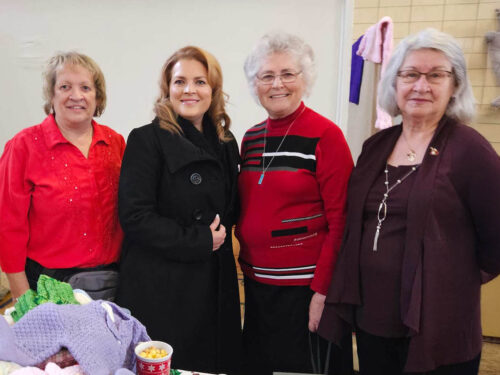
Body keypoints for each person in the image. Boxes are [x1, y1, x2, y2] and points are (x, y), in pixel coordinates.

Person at [318, 28, 500, 375]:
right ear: (394, 83)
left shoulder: (470, 150)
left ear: (455, 86)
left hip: (439, 326)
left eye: (436, 75)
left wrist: (450, 277)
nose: (421, 85)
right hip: (373, 320)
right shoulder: (376, 147)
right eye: (410, 74)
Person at [115, 46, 241, 374]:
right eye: (179, 81)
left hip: (214, 283)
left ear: (213, 90)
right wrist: (198, 240)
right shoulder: (146, 140)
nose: (189, 90)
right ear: (167, 89)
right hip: (163, 287)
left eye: (200, 81)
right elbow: (135, 217)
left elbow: (231, 209)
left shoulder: (227, 142)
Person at [236, 32, 354, 375]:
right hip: (258, 287)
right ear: (254, 84)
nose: (277, 84)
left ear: (305, 79)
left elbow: (341, 221)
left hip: (304, 291)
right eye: (267, 76)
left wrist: (323, 292)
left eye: (288, 74)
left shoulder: (326, 136)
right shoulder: (252, 137)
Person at [0, 52, 125, 300]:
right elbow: (8, 224)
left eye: (85, 87)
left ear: (97, 96)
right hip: (48, 285)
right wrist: (21, 293)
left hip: (114, 281)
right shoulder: (23, 146)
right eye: (65, 86)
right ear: (52, 95)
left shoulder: (116, 143)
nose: (76, 96)